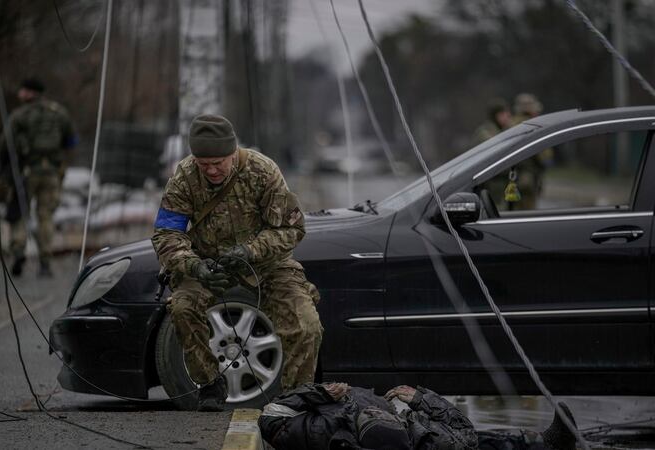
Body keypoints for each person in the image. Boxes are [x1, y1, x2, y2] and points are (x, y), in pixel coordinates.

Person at [151, 114, 323, 411]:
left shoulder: (262, 171)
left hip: (266, 264)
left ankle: (295, 399)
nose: (212, 170)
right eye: (204, 164)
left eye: (219, 162)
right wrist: (193, 266)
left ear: (233, 152)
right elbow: (166, 234)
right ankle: (208, 383)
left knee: (306, 325)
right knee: (181, 308)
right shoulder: (184, 177)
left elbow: (292, 230)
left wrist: (251, 250)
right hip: (208, 266)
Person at [259, 383, 577, 450]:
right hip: (402, 437)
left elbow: (275, 411)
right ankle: (545, 445)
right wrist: (423, 400)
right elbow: (271, 419)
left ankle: (543, 443)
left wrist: (324, 393)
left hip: (385, 426)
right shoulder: (377, 434)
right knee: (465, 441)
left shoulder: (319, 413)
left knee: (474, 440)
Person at [3, 78, 77, 277]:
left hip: (26, 171)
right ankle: (45, 261)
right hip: (52, 172)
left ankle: (18, 251)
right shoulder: (59, 113)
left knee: (19, 212)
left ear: (29, 93)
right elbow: (71, 140)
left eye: (23, 90)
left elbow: (5, 144)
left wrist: (4, 168)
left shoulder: (20, 115)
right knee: (46, 216)